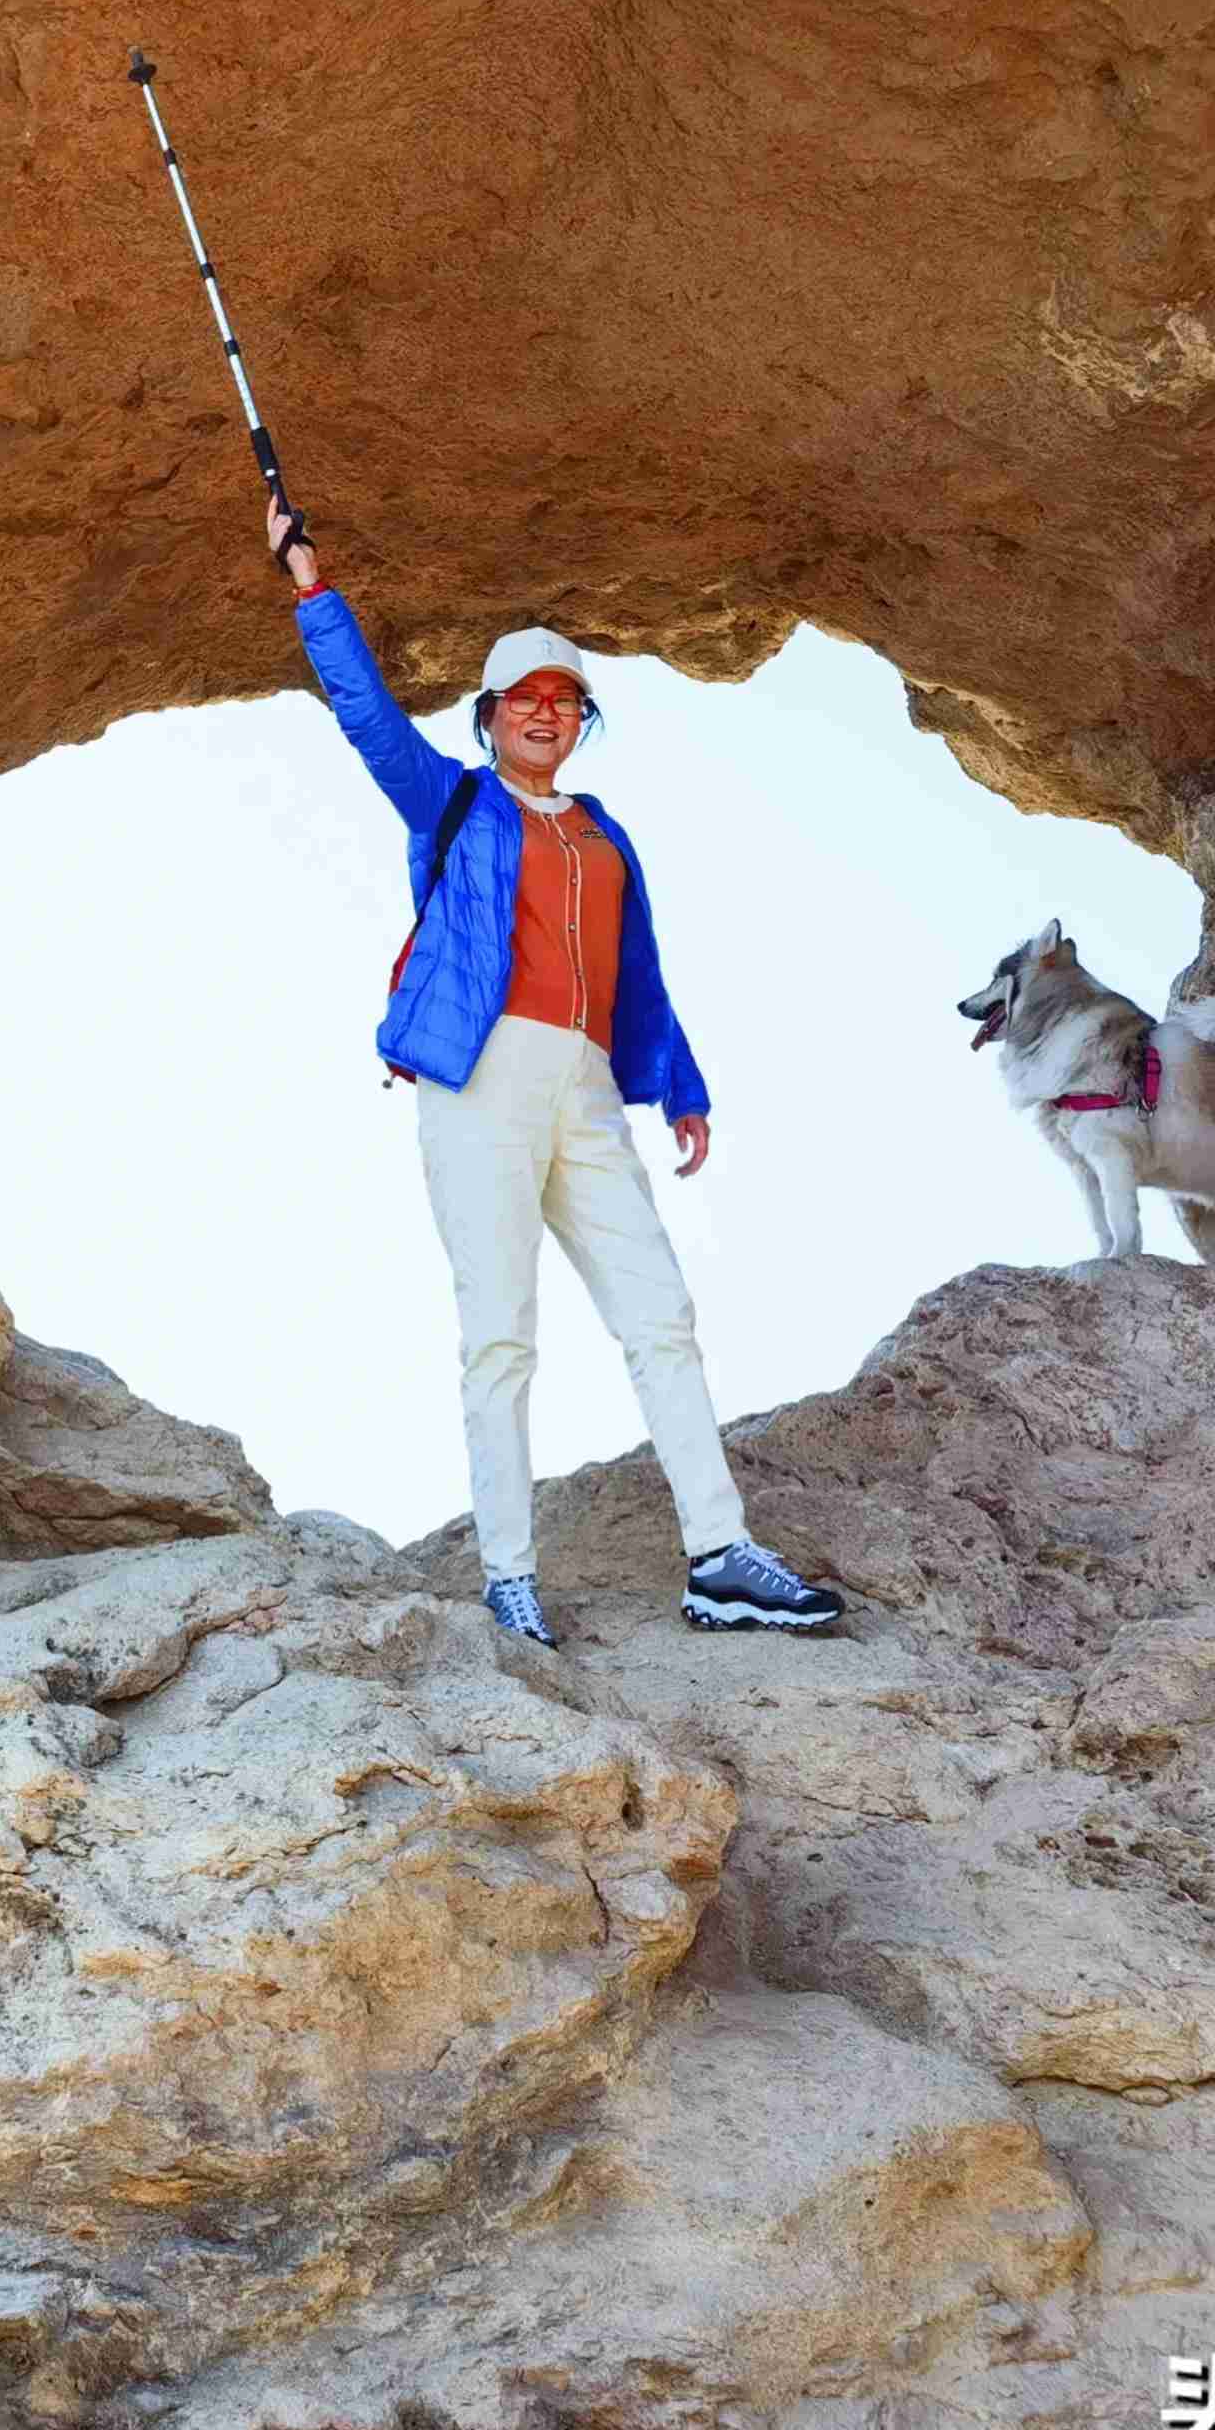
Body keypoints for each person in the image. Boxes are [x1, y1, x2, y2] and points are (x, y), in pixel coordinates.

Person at [268, 497, 844, 1648]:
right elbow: (371, 723)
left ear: (581, 721)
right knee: (502, 1331)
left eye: (563, 699)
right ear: (488, 719)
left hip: (582, 1085)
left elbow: (639, 970)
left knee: (660, 1314)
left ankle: (722, 1558)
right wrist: (311, 593)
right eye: (523, 697)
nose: (544, 711)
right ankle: (509, 1576)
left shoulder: (602, 832)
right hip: (476, 1079)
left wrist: (678, 1081)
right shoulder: (459, 799)